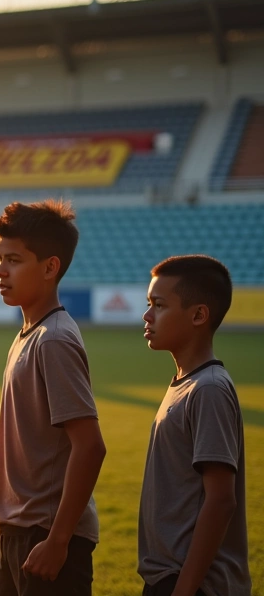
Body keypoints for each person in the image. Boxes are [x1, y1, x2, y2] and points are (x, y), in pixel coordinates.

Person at [0, 200, 105, 596]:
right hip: (18, 530)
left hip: (46, 536)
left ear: (50, 267)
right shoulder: (30, 334)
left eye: (14, 260)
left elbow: (89, 447)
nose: (0, 270)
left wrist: (57, 541)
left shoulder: (54, 339)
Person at [139, 255, 250, 596]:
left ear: (199, 315)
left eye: (158, 305)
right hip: (170, 577)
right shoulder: (186, 384)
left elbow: (220, 500)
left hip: (193, 583)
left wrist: (184, 589)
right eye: (148, 304)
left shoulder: (209, 390)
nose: (147, 315)